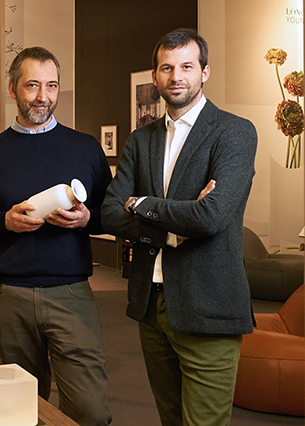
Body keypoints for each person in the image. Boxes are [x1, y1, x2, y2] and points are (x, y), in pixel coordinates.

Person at [101, 28, 257, 426]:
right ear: (155, 76)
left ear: (205, 72)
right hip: (151, 305)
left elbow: (211, 216)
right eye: (167, 68)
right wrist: (173, 228)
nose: (176, 77)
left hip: (208, 307)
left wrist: (143, 204)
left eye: (187, 66)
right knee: (169, 419)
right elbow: (111, 214)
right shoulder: (141, 139)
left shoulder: (234, 132)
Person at [0, 46, 113, 426]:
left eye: (51, 86)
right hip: (9, 296)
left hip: (71, 293)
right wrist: (4, 222)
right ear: (12, 89)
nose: (43, 96)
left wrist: (86, 218)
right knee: (21, 409)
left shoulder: (85, 147)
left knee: (90, 410)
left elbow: (111, 216)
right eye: (32, 85)